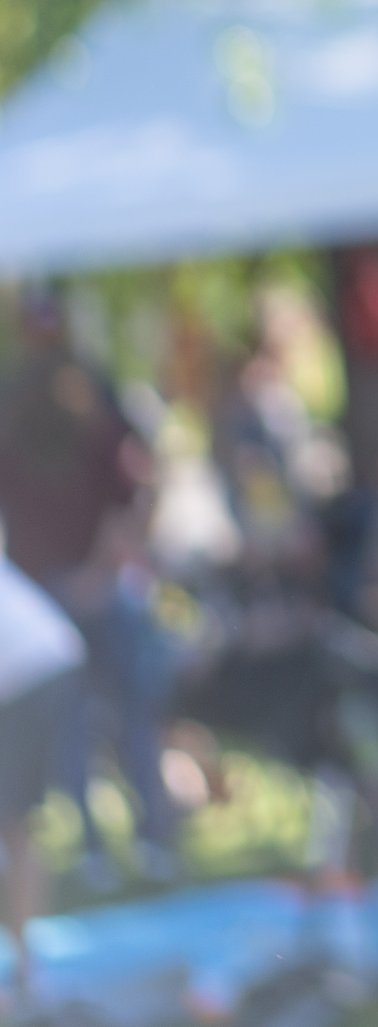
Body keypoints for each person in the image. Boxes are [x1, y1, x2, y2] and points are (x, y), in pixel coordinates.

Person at [0, 293, 179, 888]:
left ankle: (151, 836)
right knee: (82, 729)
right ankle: (104, 846)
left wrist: (108, 566)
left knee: (125, 717)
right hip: (53, 597)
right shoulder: (21, 410)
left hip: (88, 589)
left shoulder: (92, 409)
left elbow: (136, 491)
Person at [0, 555, 84, 1012]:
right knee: (15, 826)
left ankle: (27, 973)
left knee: (16, 826)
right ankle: (26, 972)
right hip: (32, 669)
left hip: (30, 674)